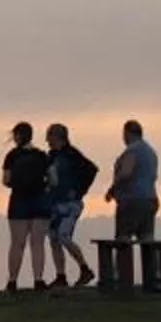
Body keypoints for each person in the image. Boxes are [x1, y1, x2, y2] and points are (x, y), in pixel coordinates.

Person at [44, 123, 99, 288]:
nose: (47, 140)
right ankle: (60, 276)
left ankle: (84, 269)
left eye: (49, 136)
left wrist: (79, 191)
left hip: (70, 204)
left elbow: (91, 170)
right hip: (54, 203)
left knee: (64, 236)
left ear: (58, 137)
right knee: (53, 238)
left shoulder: (72, 155)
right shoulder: (51, 156)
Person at [1, 121, 54, 291]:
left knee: (17, 243)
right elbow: (53, 179)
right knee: (37, 243)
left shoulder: (12, 156)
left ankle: (12, 280)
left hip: (19, 201)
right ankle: (38, 279)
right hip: (40, 201)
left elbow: (6, 180)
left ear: (17, 136)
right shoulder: (42, 155)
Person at [106, 120, 161, 240]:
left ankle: (124, 259)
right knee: (147, 240)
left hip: (131, 201)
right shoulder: (151, 152)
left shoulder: (132, 151)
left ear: (127, 133)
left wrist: (112, 190)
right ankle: (150, 259)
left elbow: (126, 172)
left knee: (123, 240)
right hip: (150, 200)